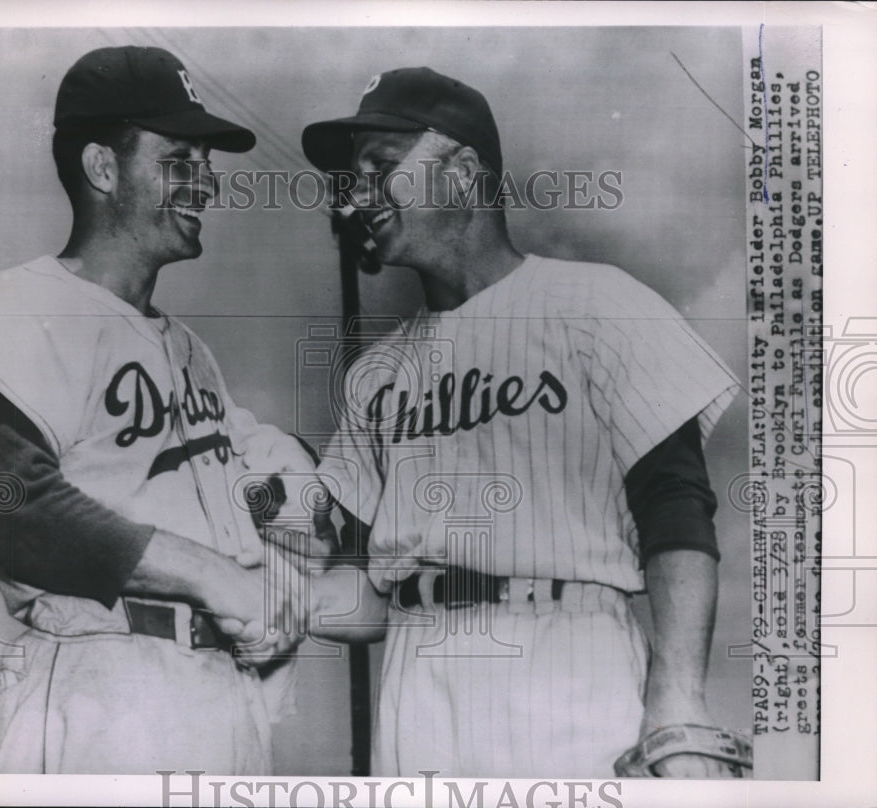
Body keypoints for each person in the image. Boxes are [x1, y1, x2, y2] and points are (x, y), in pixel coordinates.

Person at [299, 67, 747, 778]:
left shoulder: (598, 304)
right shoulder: (374, 377)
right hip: (418, 676)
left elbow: (676, 510)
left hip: (569, 658)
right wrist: (241, 597)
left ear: (463, 171)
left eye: (381, 167)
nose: (359, 195)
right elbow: (363, 591)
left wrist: (679, 703)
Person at [0, 45, 312, 774]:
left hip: (220, 693)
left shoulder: (193, 351)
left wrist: (294, 512)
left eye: (207, 161)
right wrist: (218, 576)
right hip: (100, 688)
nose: (205, 182)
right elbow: (15, 508)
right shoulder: (14, 304)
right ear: (103, 168)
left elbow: (262, 493)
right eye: (180, 159)